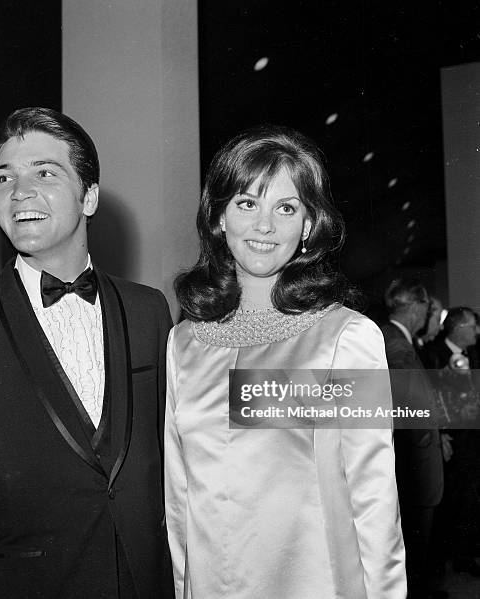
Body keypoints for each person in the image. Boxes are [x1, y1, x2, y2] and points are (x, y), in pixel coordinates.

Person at [0, 107, 174, 599]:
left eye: (44, 173)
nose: (19, 191)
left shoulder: (148, 311)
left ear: (88, 196)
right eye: (4, 177)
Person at [165, 125, 406, 598]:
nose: (264, 226)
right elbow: (179, 499)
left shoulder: (346, 338)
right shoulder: (183, 344)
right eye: (247, 203)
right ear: (219, 218)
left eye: (286, 207)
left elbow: (375, 499)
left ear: (308, 226)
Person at [381, 279, 446, 598]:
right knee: (414, 550)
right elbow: (406, 408)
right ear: (416, 308)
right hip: (414, 466)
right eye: (426, 309)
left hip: (413, 461)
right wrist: (429, 437)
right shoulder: (396, 346)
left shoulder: (395, 340)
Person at [423, 306, 480, 577]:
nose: (477, 332)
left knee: (470, 497)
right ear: (458, 328)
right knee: (450, 499)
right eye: (473, 326)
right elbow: (427, 397)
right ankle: (448, 555)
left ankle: (465, 554)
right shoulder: (432, 355)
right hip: (448, 440)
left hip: (473, 440)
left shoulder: (475, 354)